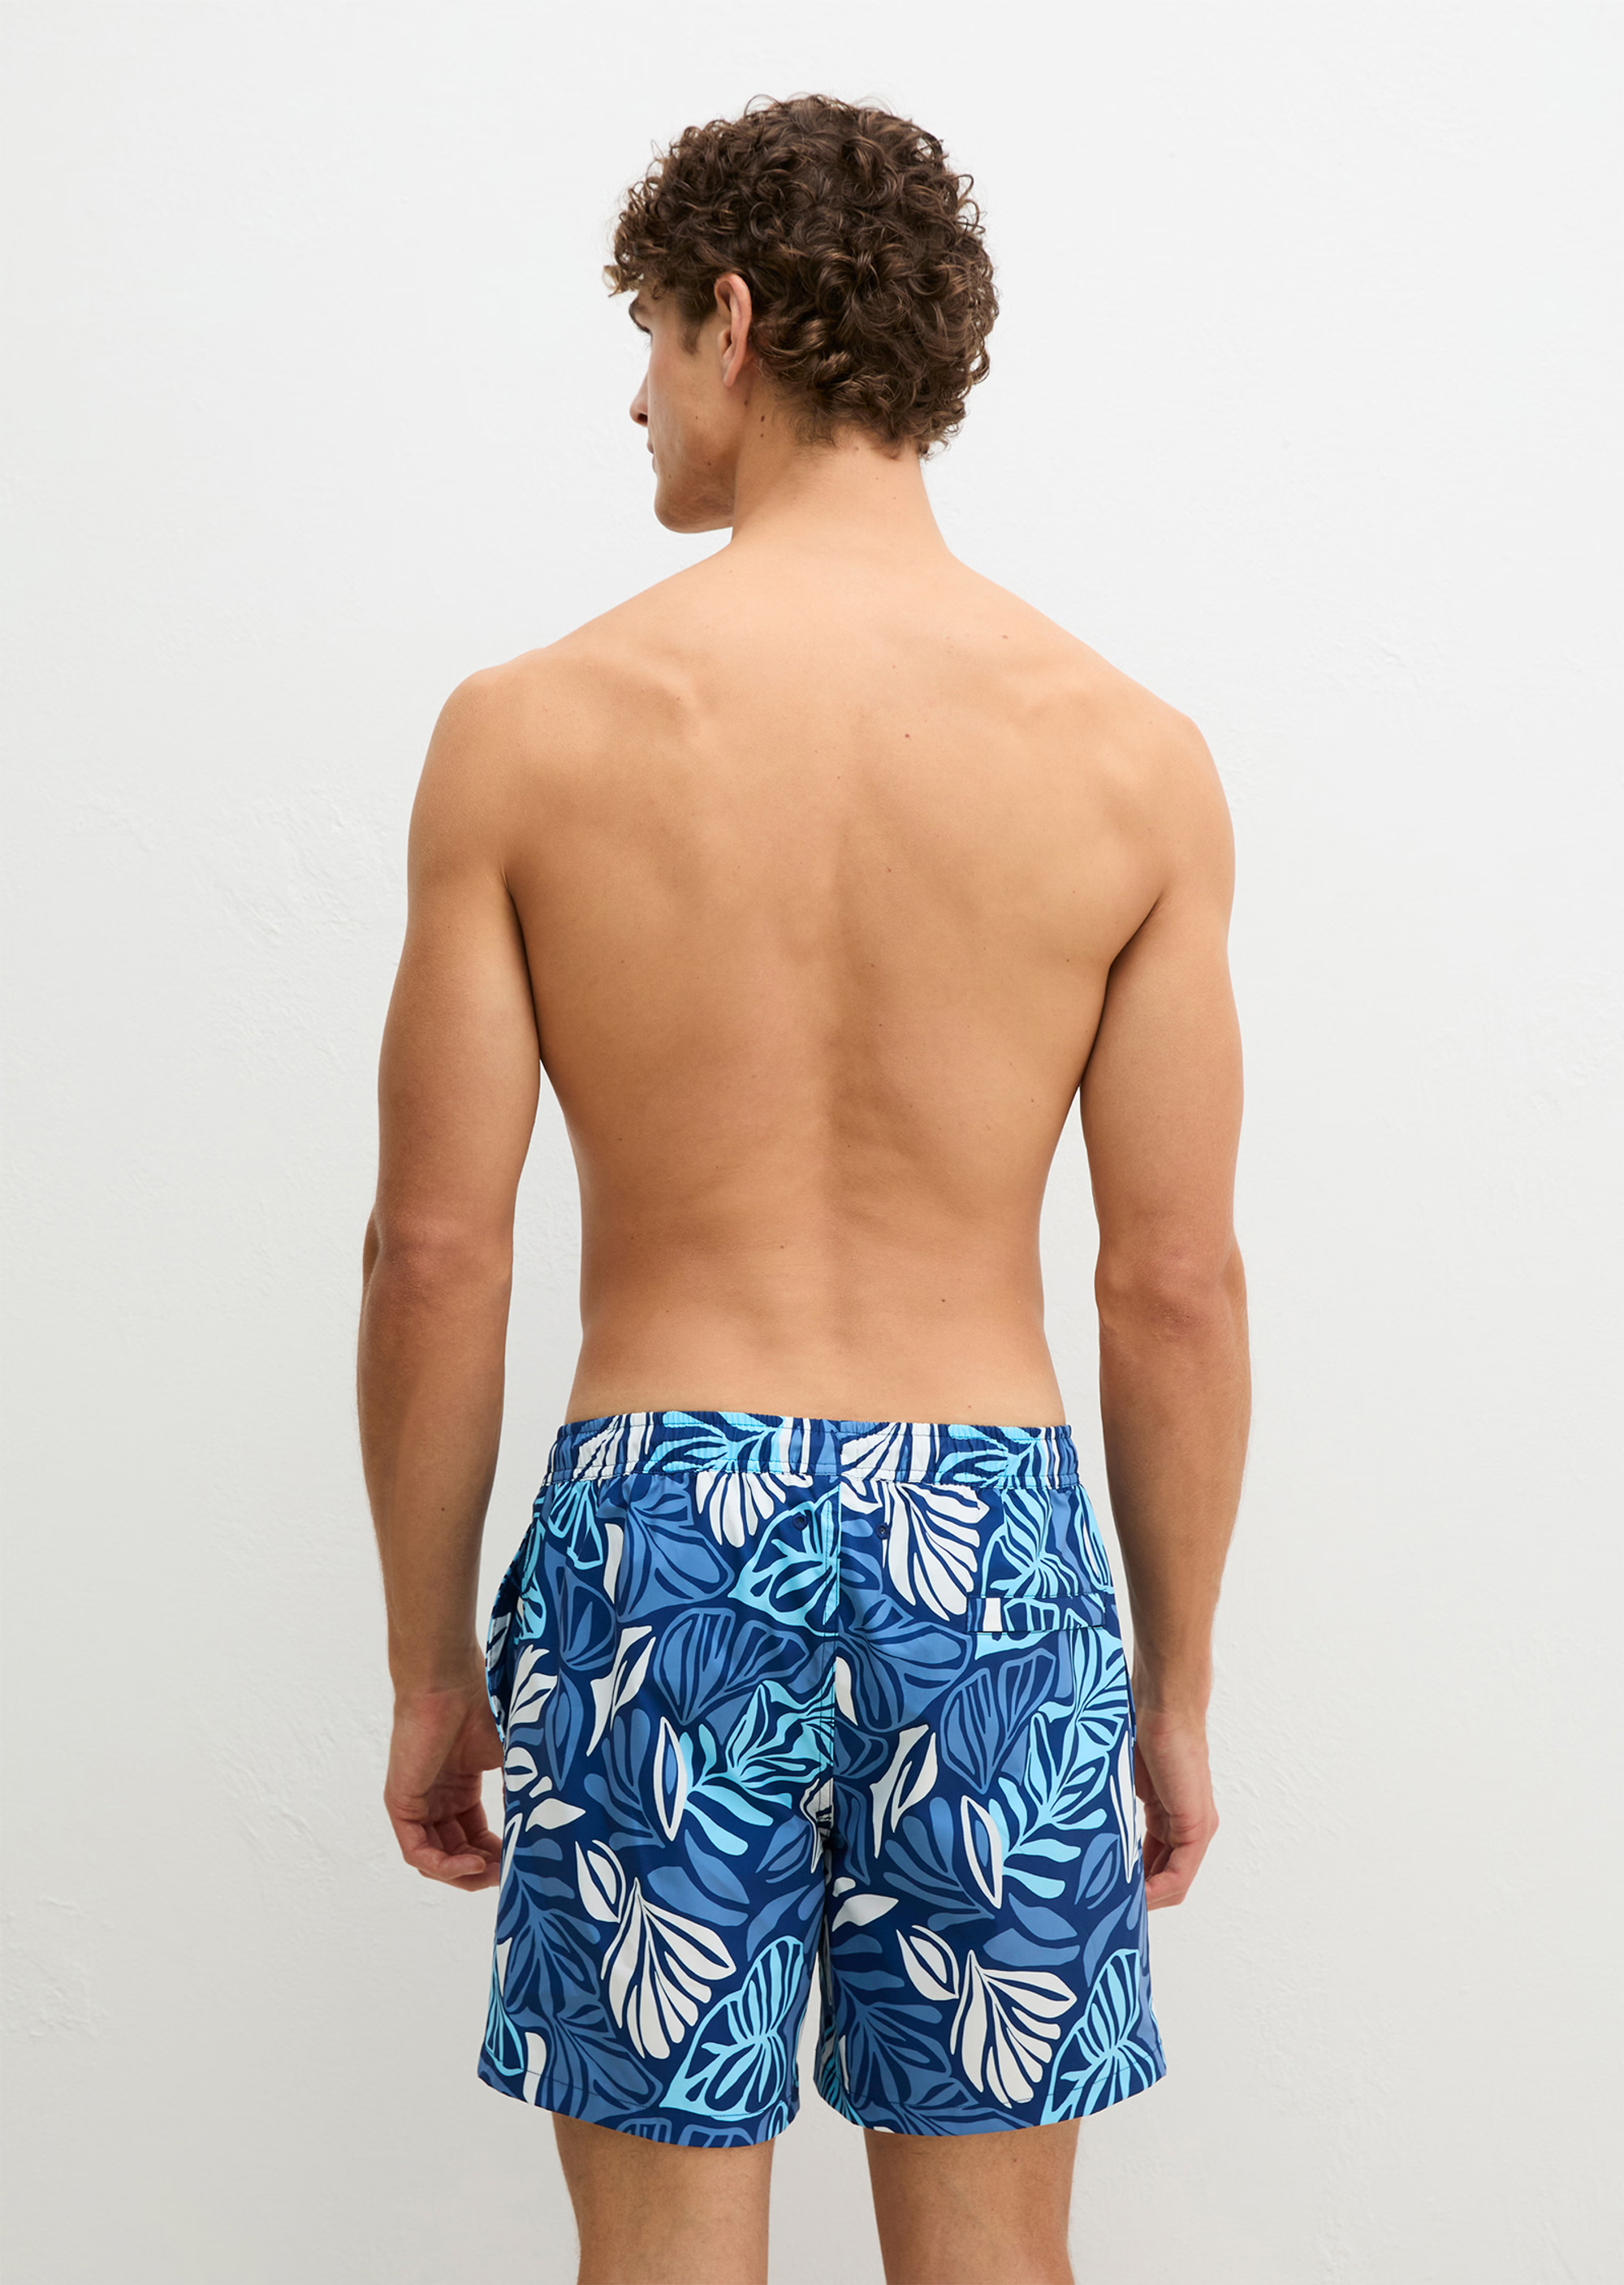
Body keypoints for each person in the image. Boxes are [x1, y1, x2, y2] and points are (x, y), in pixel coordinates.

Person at [358, 93, 1249, 2285]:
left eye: (651, 338)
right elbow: (1171, 1286)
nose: (638, 398)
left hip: (663, 1539)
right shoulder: (1131, 758)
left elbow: (437, 1248)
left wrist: (428, 1666)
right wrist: (1172, 1690)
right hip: (990, 1561)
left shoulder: (529, 731)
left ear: (735, 320)